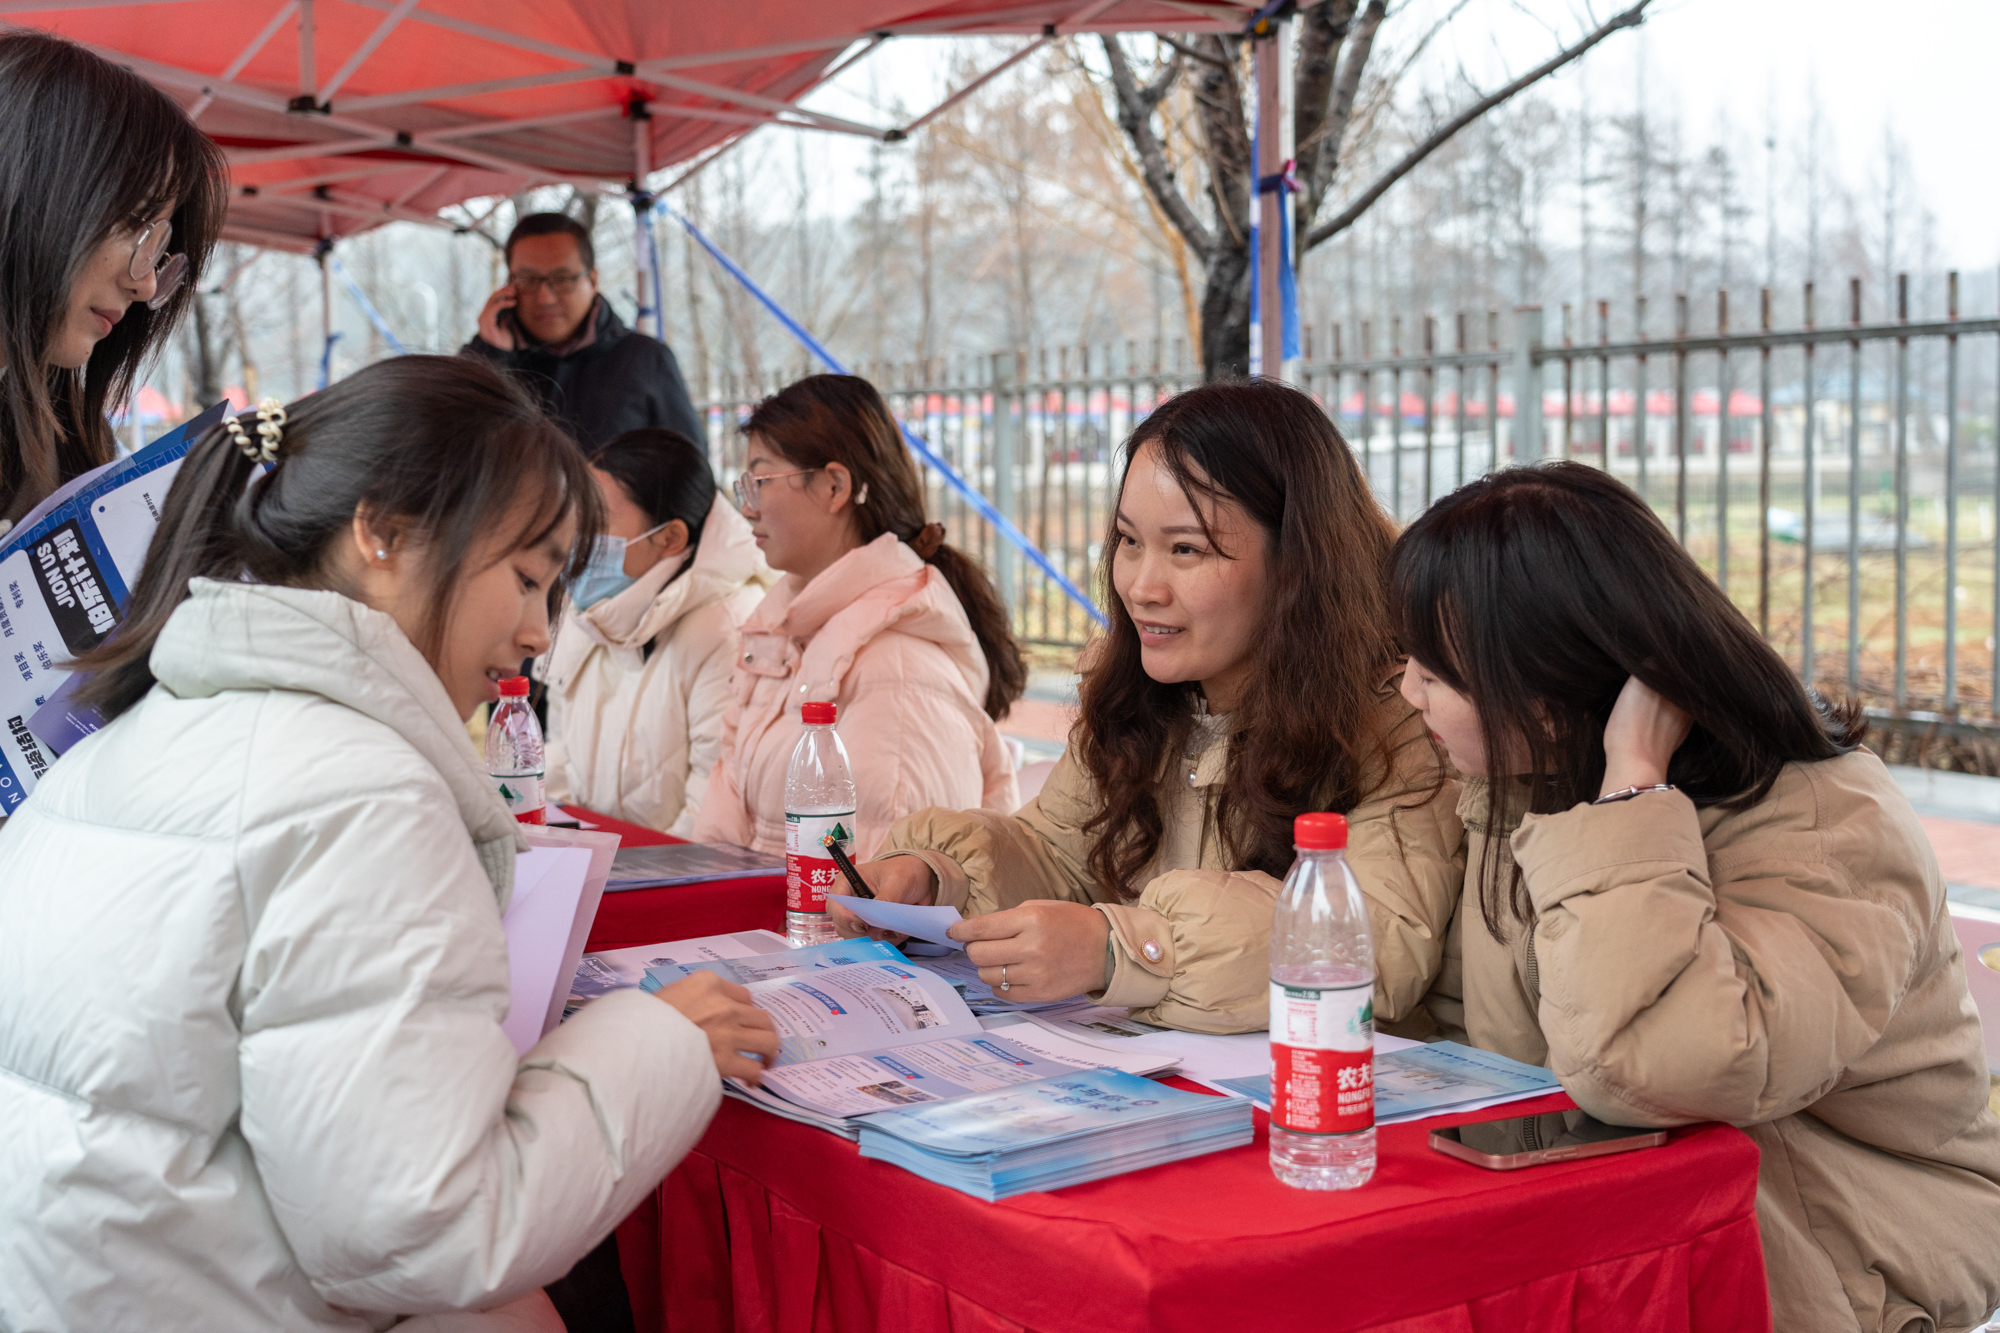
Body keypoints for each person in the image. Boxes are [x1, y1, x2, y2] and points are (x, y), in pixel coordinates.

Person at [0, 356, 778, 1331]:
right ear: (383, 530)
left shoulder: (124, 745)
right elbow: (427, 1232)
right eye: (527, 577)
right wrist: (664, 1042)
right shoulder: (360, 794)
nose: (539, 632)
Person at [1391, 461, 2000, 1332]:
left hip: (1834, 1266)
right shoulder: (1533, 791)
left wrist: (1634, 786)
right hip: (1625, 1239)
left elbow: (1654, 1069)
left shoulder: (1826, 825)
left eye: (1438, 674)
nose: (1407, 693)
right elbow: (1476, 1033)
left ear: (1559, 694)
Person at [840, 379, 1464, 1035]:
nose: (1142, 586)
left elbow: (1379, 940)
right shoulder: (1136, 688)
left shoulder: (1397, 714)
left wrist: (1127, 948)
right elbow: (1059, 851)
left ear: (1297, 564)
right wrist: (937, 879)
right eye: (1129, 541)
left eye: (1186, 549)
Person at [692, 374, 1024, 857]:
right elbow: (720, 833)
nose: (748, 508)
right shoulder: (784, 634)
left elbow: (881, 903)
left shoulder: (899, 670)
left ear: (833, 486)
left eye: (760, 481)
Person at [0, 29, 225, 532]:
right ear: (30, 184)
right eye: (136, 223)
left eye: (160, 249)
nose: (146, 286)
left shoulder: (67, 439)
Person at [542, 427, 771, 833]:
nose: (576, 534)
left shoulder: (727, 631)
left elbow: (711, 812)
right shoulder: (584, 613)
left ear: (669, 538)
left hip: (668, 882)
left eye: (597, 517)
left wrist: (623, 881)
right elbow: (558, 764)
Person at [463, 211, 703, 452]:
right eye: (528, 279)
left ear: (593, 279)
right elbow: (454, 454)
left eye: (563, 278)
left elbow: (692, 467)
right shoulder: (486, 361)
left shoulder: (646, 359)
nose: (545, 297)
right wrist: (490, 357)